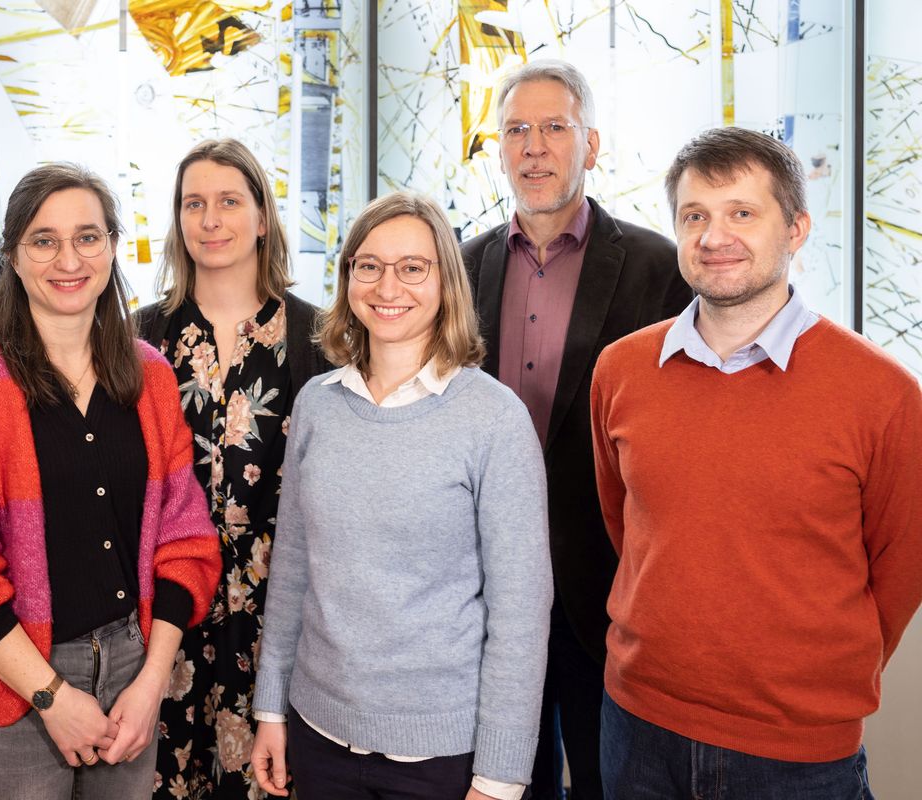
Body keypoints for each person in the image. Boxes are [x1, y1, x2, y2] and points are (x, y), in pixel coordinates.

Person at [590, 127, 922, 798]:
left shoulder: (883, 393)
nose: (715, 237)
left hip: (797, 752)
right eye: (695, 216)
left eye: (743, 213)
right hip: (637, 724)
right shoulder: (621, 370)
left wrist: (806, 675)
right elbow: (630, 528)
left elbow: (900, 569)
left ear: (796, 229)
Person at [0, 163, 222, 800]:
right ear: (13, 256)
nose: (68, 258)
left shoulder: (148, 378)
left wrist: (152, 682)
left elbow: (185, 539)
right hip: (12, 682)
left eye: (88, 237)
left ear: (113, 247)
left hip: (132, 669)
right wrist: (50, 696)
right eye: (44, 240)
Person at [250, 191, 553, 800]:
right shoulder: (317, 405)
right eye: (369, 265)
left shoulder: (494, 420)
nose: (389, 286)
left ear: (445, 281)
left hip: (441, 755)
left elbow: (520, 613)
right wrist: (271, 711)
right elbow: (291, 574)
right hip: (317, 732)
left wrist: (499, 777)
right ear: (348, 279)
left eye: (413, 267)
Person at [460, 59, 691, 800]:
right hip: (487, 583)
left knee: (604, 779)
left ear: (591, 144)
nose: (534, 147)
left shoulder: (660, 266)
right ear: (498, 148)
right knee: (507, 781)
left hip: (608, 582)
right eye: (516, 130)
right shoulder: (461, 267)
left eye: (554, 127)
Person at [136, 138, 329, 799]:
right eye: (194, 204)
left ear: (262, 217)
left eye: (228, 202)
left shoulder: (319, 340)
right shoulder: (138, 338)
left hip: (280, 619)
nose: (210, 220)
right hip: (164, 617)